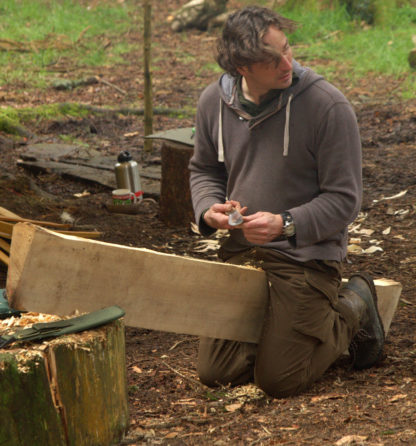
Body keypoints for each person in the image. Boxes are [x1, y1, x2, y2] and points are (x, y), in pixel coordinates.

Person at [188, 5, 385, 398]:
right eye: (270, 59)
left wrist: (286, 223)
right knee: (216, 373)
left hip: (306, 258)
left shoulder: (327, 106)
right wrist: (209, 208)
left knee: (279, 380)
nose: (286, 63)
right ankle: (281, 331)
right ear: (242, 67)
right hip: (242, 252)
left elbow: (345, 200)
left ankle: (355, 303)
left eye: (287, 49)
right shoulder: (214, 101)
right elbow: (204, 170)